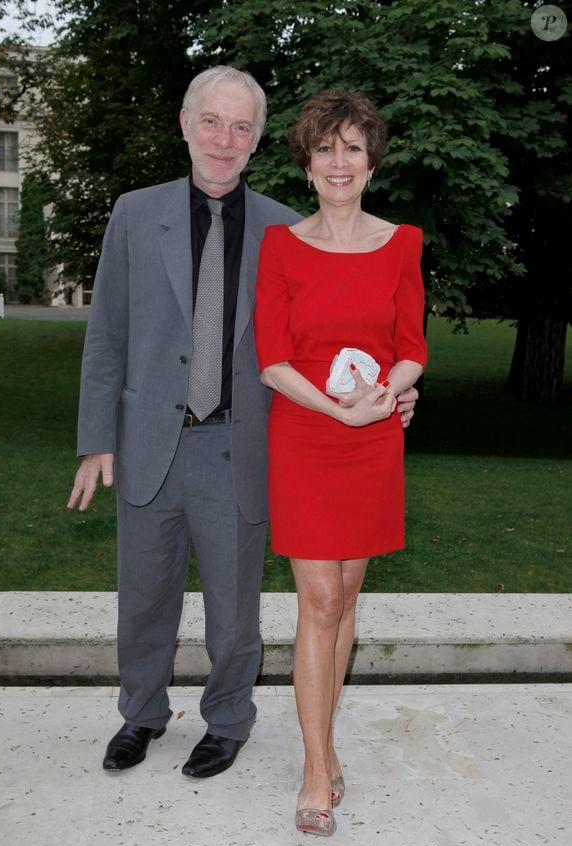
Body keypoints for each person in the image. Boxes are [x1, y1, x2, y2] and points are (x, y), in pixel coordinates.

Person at [68, 67, 418, 779]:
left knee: (235, 609)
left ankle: (227, 721)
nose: (223, 140)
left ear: (257, 141)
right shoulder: (135, 214)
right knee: (144, 595)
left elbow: (340, 334)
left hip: (245, 442)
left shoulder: (290, 228)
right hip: (148, 443)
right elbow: (107, 332)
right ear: (185, 123)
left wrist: (391, 393)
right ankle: (141, 714)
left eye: (240, 127)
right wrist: (97, 438)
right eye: (211, 122)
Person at [254, 90, 427, 836]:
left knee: (347, 598)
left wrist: (386, 395)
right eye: (325, 148)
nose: (338, 161)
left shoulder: (403, 243)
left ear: (371, 160)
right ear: (307, 160)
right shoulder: (281, 247)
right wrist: (338, 408)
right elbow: (271, 357)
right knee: (318, 602)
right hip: (305, 434)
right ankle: (316, 769)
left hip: (373, 438)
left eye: (352, 147)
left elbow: (412, 346)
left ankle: (322, 749)